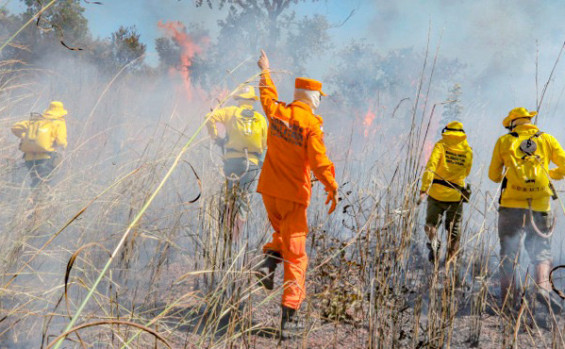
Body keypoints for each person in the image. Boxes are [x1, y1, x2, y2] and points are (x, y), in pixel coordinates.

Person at [254, 49, 339, 336]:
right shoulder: (311, 125)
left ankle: (267, 263)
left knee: (283, 237)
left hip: (269, 193)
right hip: (293, 197)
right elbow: (318, 162)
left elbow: (266, 96)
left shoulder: (278, 111)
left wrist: (265, 70)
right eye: (318, 98)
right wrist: (331, 186)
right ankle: (290, 320)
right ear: (313, 98)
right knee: (297, 256)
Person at [489, 107, 565, 312]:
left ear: (513, 123)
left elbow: (493, 176)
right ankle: (543, 290)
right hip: (540, 205)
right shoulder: (547, 139)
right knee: (541, 252)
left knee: (508, 255)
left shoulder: (504, 142)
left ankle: (506, 303)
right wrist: (553, 174)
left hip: (511, 206)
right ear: (529, 121)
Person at [206, 85, 268, 239]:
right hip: (252, 164)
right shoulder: (260, 118)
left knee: (228, 196)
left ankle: (224, 235)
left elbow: (209, 118)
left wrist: (216, 138)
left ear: (238, 99)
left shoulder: (231, 111)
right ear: (253, 101)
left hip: (232, 160)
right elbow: (266, 144)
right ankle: (236, 239)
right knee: (244, 199)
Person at [420, 121, 473, 267]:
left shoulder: (441, 145)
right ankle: (451, 263)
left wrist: (424, 188)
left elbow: (431, 166)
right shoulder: (468, 150)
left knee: (431, 225)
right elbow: (466, 172)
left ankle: (435, 245)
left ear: (446, 131)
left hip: (436, 194)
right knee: (454, 232)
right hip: (456, 197)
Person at [11, 101, 68, 188]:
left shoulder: (35, 121)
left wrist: (24, 136)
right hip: (46, 157)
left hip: (29, 158)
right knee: (43, 183)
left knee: (36, 181)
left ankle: (33, 199)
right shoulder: (59, 122)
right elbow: (60, 141)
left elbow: (14, 127)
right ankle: (39, 200)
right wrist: (64, 146)